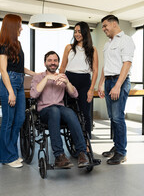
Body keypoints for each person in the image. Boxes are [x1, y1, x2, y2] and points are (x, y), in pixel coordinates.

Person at [30, 51, 89, 168]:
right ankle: (59, 155)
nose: (53, 63)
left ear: (58, 63)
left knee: (70, 112)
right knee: (54, 111)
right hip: (45, 111)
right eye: (50, 60)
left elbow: (74, 95)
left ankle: (82, 152)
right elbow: (33, 94)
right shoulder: (38, 77)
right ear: (45, 63)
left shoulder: (63, 76)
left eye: (55, 60)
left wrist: (67, 82)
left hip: (60, 109)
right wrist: (47, 78)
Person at [0, 14, 36, 168]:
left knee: (19, 119)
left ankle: (13, 153)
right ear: (13, 26)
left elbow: (20, 67)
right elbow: (3, 69)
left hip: (19, 82)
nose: (21, 28)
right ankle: (7, 157)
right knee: (8, 121)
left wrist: (37, 74)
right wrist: (10, 92)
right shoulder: (4, 44)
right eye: (20, 25)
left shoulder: (18, 44)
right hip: (10, 84)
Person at [98, 15, 135, 165]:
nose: (104, 29)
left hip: (119, 81)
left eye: (105, 26)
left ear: (114, 24)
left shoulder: (126, 40)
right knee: (112, 117)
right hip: (108, 81)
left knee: (118, 117)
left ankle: (121, 152)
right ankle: (116, 145)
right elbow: (105, 66)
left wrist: (117, 85)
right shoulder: (108, 44)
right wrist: (101, 84)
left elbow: (127, 64)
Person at [59, 21, 98, 138]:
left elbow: (95, 71)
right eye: (75, 32)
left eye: (79, 31)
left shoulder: (93, 50)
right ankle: (74, 140)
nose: (77, 34)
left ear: (85, 33)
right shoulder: (69, 48)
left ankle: (86, 142)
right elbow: (62, 67)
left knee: (85, 113)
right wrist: (61, 82)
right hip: (69, 80)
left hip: (85, 82)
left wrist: (91, 90)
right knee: (71, 113)